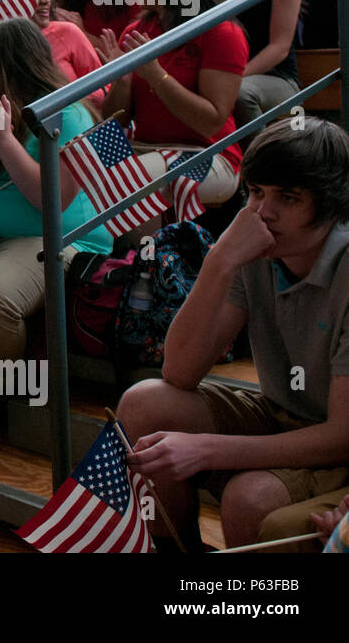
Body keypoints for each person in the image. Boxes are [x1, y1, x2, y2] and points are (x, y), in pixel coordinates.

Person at [117, 118, 349, 551]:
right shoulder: (253, 246)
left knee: (248, 500)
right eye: (257, 192)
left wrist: (208, 450)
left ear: (331, 202)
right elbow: (180, 371)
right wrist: (219, 260)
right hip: (282, 414)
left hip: (335, 440)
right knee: (144, 402)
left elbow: (340, 434)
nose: (263, 211)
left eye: (287, 197)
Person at [0, 19, 112, 422]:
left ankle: (1, 391)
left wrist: (4, 141)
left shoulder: (66, 112)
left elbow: (51, 200)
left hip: (51, 238)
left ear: (8, 64)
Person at [98, 0, 247, 212]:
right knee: (77, 165)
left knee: (125, 179)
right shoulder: (135, 32)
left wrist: (156, 75)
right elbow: (116, 119)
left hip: (207, 154)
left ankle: (143, 254)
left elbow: (211, 122)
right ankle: (117, 254)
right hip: (144, 147)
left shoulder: (222, 32)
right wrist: (122, 81)